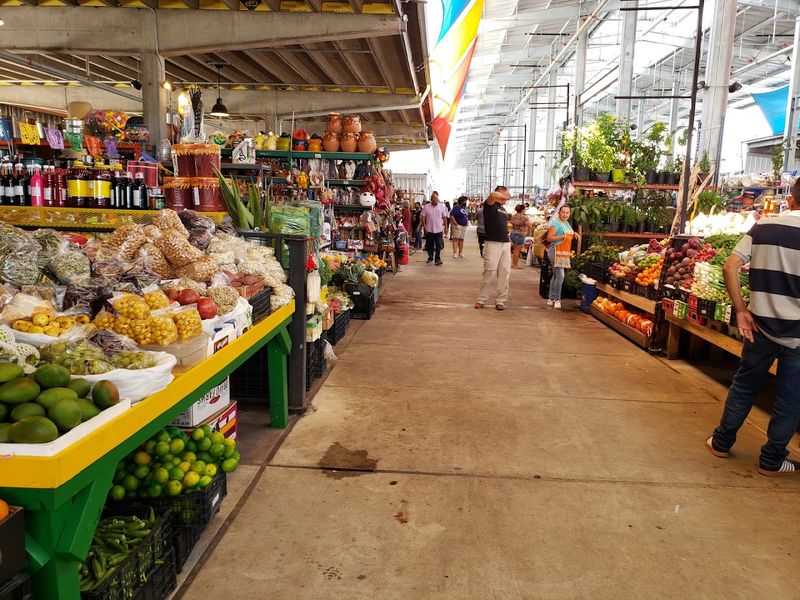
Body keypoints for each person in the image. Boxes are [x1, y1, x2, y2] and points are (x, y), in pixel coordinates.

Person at [706, 186, 800, 476]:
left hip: (759, 326)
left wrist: (742, 311)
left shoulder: (765, 225)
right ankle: (771, 460)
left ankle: (721, 442)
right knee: (789, 398)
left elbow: (729, 267)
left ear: (791, 198)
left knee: (745, 385)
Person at [475, 186, 511, 311]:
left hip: (505, 243)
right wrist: (505, 196)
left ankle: (501, 300)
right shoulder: (490, 204)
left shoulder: (503, 208)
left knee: (504, 272)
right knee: (489, 271)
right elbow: (493, 195)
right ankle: (481, 299)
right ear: (499, 193)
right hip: (492, 243)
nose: (507, 197)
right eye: (505, 194)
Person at [545, 204, 578, 309]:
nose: (565, 214)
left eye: (567, 213)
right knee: (560, 276)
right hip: (555, 252)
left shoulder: (566, 223)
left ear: (569, 214)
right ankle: (557, 299)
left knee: (555, 276)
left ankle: (551, 298)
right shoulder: (556, 224)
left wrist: (574, 234)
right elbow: (549, 238)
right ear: (559, 212)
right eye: (563, 212)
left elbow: (569, 233)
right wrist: (563, 236)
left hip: (563, 254)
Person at [421, 192, 449, 265]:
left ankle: (437, 259)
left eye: (437, 198)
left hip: (439, 229)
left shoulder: (441, 207)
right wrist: (425, 227)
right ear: (431, 199)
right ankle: (430, 257)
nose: (436, 200)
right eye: (434, 198)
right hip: (429, 229)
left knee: (438, 245)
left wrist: (446, 227)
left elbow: (444, 217)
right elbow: (423, 217)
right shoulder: (426, 207)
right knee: (429, 245)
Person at [509, 204, 531, 269]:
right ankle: (515, 264)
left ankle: (513, 263)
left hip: (513, 233)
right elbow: (529, 225)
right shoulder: (524, 217)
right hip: (520, 234)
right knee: (517, 250)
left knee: (514, 249)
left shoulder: (513, 216)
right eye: (524, 209)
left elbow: (511, 222)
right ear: (522, 210)